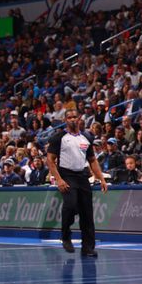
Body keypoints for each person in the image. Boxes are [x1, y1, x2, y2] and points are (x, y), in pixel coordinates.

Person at [46, 109, 107, 258]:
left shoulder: (86, 137)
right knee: (70, 205)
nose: (73, 119)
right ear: (65, 120)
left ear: (79, 118)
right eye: (69, 117)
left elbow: (92, 160)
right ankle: (66, 236)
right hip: (66, 174)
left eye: (75, 117)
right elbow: (50, 160)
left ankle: (88, 247)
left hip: (82, 175)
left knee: (87, 213)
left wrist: (102, 178)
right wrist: (59, 179)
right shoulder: (58, 137)